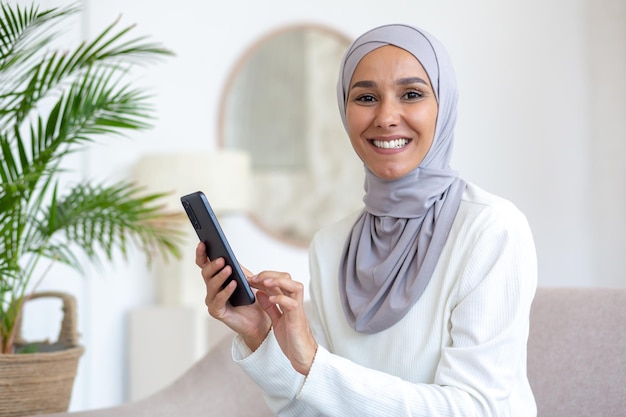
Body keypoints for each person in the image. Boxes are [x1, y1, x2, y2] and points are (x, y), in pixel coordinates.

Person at [196, 23, 537, 416]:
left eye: (411, 94)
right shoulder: (331, 244)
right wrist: (261, 336)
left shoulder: (490, 231)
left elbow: (476, 409)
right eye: (366, 97)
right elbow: (310, 410)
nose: (386, 117)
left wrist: (314, 365)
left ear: (444, 105)